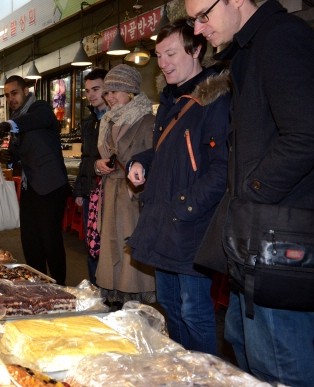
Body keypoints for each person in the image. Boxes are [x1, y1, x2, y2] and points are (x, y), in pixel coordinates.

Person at [184, 0, 314, 384]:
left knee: (279, 367)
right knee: (247, 351)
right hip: (256, 238)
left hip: (278, 242)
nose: (198, 30)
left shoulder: (280, 37)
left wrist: (251, 193)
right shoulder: (250, 49)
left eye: (203, 16)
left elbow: (306, 133)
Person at [126, 19, 231, 355]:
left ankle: (204, 377)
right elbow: (165, 151)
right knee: (170, 304)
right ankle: (183, 372)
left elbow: (222, 168)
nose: (164, 62)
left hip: (191, 224)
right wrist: (139, 161)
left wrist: (185, 206)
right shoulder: (171, 99)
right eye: (159, 55)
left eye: (171, 53)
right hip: (164, 220)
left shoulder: (215, 98)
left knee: (194, 310)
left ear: (197, 49)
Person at [0, 75, 69, 285]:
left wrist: (8, 124)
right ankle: (38, 285)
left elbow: (32, 122)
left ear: (26, 91)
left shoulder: (39, 108)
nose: (11, 98)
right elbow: (18, 154)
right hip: (30, 187)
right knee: (30, 241)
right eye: (7, 95)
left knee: (50, 240)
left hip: (50, 186)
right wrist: (9, 158)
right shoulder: (17, 117)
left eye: (14, 93)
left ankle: (60, 287)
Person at [92, 64, 156, 306]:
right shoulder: (106, 121)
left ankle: (137, 302)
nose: (109, 97)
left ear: (131, 91)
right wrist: (99, 165)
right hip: (110, 191)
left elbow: (155, 158)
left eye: (115, 91)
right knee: (110, 250)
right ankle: (114, 300)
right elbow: (99, 158)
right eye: (108, 92)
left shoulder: (147, 120)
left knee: (131, 249)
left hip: (134, 195)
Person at [72, 68, 108, 285]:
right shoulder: (89, 121)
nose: (91, 95)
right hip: (90, 192)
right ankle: (96, 292)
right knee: (92, 246)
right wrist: (79, 190)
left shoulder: (116, 118)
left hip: (109, 191)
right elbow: (85, 158)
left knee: (109, 247)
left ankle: (110, 294)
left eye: (96, 89)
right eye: (88, 91)